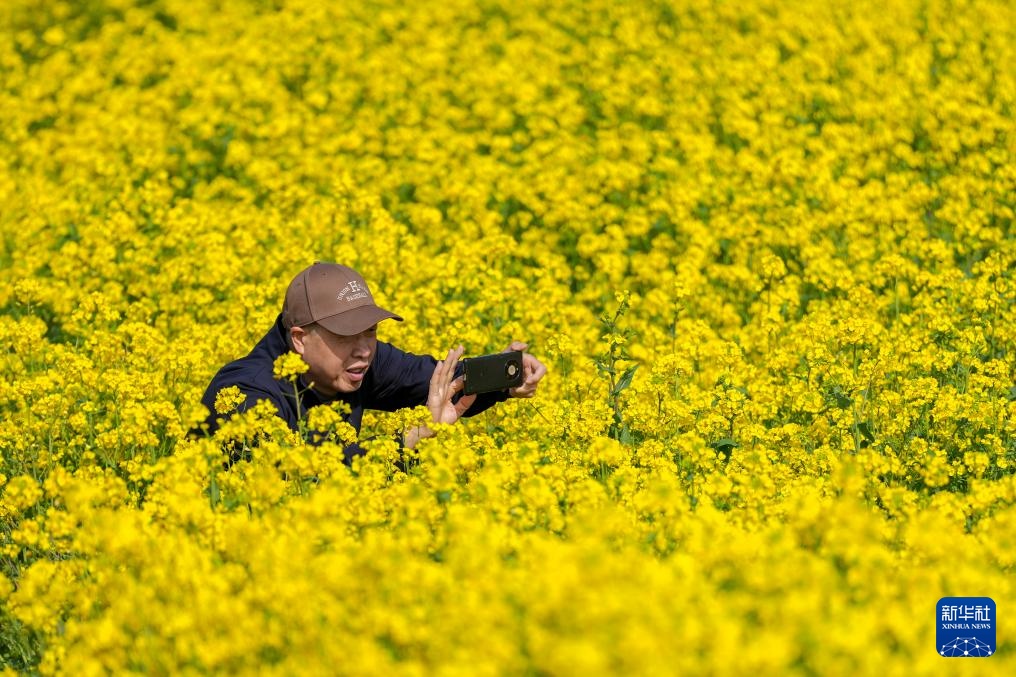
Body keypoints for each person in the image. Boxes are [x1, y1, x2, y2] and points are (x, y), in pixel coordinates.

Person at [195, 262, 547, 463]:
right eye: (346, 335)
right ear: (301, 339)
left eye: (370, 331)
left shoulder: (354, 361)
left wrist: (505, 376)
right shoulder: (246, 395)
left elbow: (440, 382)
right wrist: (413, 438)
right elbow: (299, 480)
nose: (364, 349)